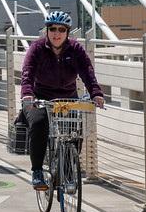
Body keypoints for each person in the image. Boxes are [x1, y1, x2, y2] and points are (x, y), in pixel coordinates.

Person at [19, 11, 105, 190]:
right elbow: (27, 72)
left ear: (67, 32)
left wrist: (96, 93)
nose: (56, 34)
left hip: (67, 98)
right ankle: (37, 172)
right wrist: (27, 94)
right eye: (52, 29)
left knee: (74, 132)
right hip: (40, 97)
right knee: (39, 123)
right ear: (46, 30)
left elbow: (87, 72)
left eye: (61, 29)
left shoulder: (75, 49)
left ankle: (67, 170)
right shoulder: (37, 48)